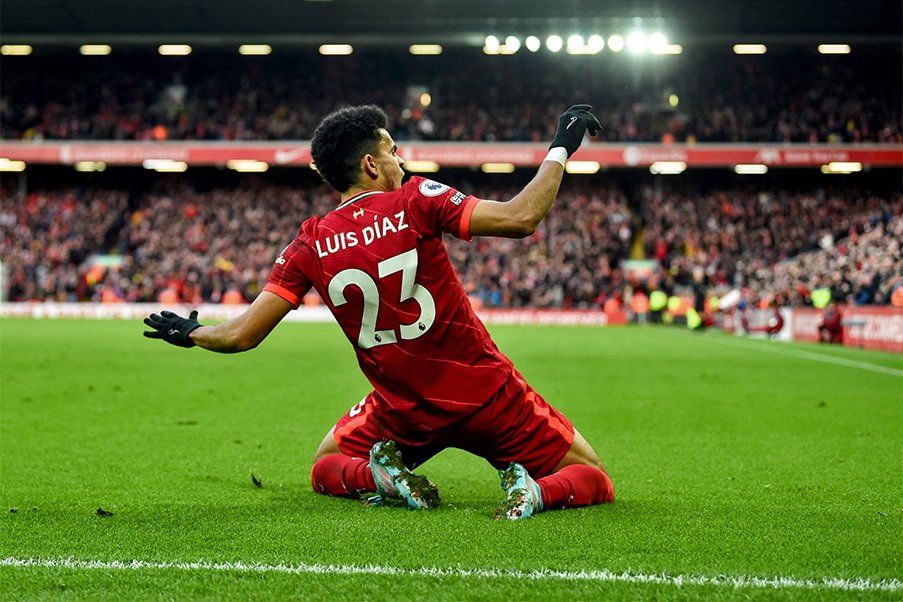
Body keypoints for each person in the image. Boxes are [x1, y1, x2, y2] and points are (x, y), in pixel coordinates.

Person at [143, 104, 614, 520]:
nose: (400, 159)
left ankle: (382, 480)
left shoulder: (311, 241)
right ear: (371, 163)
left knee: (327, 464)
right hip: (486, 397)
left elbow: (241, 335)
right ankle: (535, 490)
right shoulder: (416, 199)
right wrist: (560, 147)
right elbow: (520, 218)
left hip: (403, 410)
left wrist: (193, 332)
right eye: (392, 150)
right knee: (590, 474)